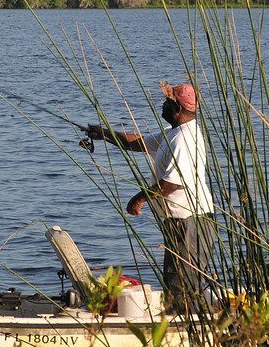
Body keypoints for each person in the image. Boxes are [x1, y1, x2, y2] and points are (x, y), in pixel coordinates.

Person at [86, 82, 216, 313]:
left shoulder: (185, 139)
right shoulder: (173, 133)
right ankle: (188, 318)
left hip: (189, 221)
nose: (162, 105)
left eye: (167, 102)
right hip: (180, 221)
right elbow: (136, 143)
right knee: (178, 279)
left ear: (177, 109)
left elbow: (173, 182)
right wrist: (104, 133)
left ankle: (190, 327)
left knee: (182, 281)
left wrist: (139, 199)